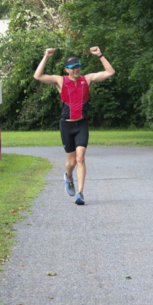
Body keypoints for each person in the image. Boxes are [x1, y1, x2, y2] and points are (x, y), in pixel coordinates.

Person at [33, 47, 115, 205]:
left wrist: (100, 55)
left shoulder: (87, 79)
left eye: (78, 66)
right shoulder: (60, 81)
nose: (76, 69)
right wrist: (46, 56)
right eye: (73, 67)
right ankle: (69, 177)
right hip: (66, 126)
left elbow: (110, 72)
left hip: (82, 125)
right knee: (71, 163)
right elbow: (37, 76)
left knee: (80, 158)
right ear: (67, 70)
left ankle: (80, 193)